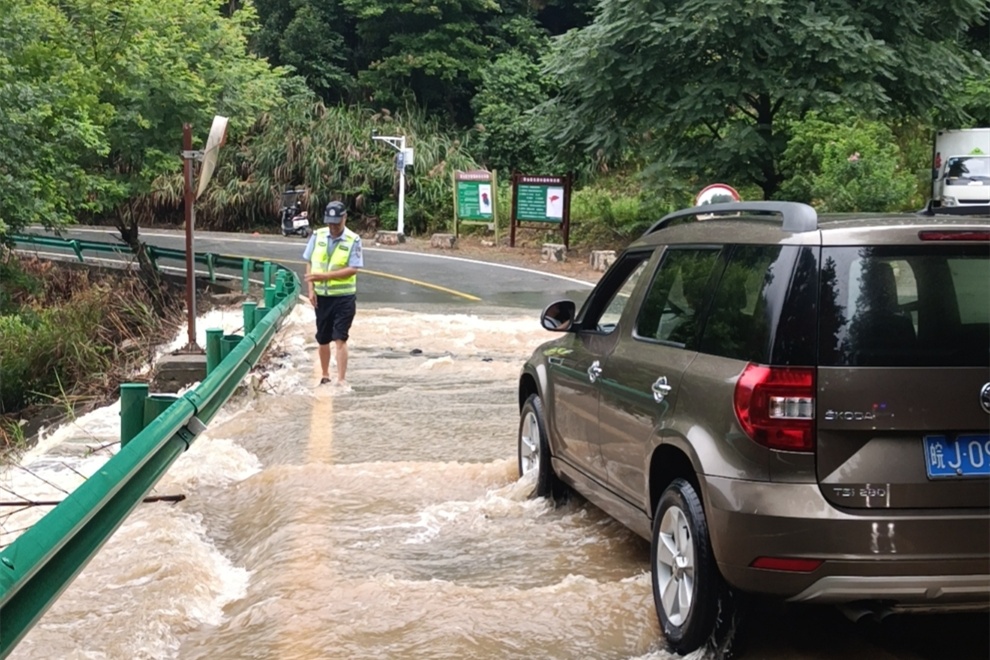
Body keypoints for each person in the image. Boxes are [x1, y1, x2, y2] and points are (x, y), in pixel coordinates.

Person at [303, 201, 363, 387]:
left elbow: (353, 268)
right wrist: (311, 289)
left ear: (345, 218)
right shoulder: (318, 235)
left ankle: (341, 379)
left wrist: (325, 276)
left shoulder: (353, 240)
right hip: (322, 297)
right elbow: (309, 262)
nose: (333, 227)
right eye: (330, 223)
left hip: (344, 298)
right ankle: (325, 374)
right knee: (323, 338)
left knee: (340, 337)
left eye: (336, 223)